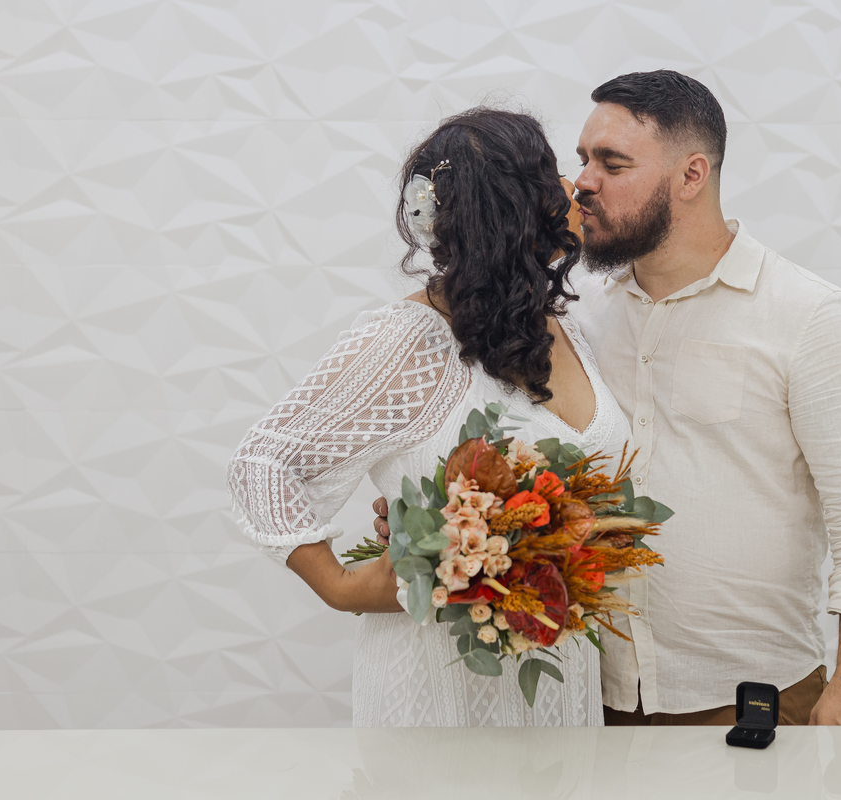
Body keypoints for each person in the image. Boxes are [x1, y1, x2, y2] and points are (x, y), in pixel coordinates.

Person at [376, 72, 841, 726]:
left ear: (691, 175)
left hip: (749, 699)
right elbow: (518, 450)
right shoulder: (573, 318)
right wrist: (433, 517)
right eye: (582, 159)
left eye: (613, 164)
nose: (583, 182)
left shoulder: (808, 316)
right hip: (585, 699)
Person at [227, 107, 630, 727]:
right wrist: (341, 587)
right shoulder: (406, 341)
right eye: (551, 172)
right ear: (511, 210)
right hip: (436, 699)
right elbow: (262, 464)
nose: (571, 188)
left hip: (559, 690)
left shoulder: (572, 326)